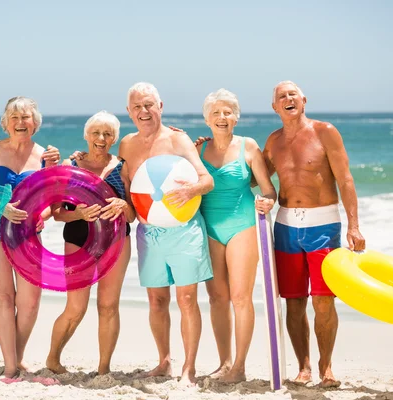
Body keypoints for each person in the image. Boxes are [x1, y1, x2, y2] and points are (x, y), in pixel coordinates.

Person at [263, 81, 366, 387]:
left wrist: (354, 225)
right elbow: (253, 178)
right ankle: (304, 367)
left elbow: (345, 179)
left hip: (323, 225)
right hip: (285, 227)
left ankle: (326, 367)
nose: (288, 99)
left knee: (323, 301)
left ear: (304, 100)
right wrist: (207, 152)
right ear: (275, 107)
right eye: (281, 96)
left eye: (293, 94)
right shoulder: (273, 141)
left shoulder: (325, 132)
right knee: (293, 301)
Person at [118, 82, 214, 384]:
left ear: (160, 106)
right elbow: (127, 190)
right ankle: (164, 362)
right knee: (156, 301)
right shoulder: (127, 145)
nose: (143, 111)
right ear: (129, 112)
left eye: (149, 105)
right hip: (149, 233)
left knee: (186, 299)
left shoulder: (178, 140)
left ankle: (189, 367)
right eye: (137, 107)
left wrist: (192, 190)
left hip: (184, 230)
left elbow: (207, 180)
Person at [45, 111, 135, 375]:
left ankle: (103, 369)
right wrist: (80, 214)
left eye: (108, 134)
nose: (101, 138)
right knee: (76, 307)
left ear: (114, 138)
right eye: (96, 132)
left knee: (108, 306)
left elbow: (133, 214)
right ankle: (53, 359)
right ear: (86, 136)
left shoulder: (122, 166)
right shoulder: (70, 165)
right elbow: (58, 213)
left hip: (117, 240)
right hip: (77, 239)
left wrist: (123, 204)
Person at [0, 96, 59, 379]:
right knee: (2, 298)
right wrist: (2, 207)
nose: (20, 122)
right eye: (15, 117)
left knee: (30, 302)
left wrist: (42, 216)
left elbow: (51, 201)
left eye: (26, 117)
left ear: (35, 123)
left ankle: (18, 356)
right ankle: (10, 367)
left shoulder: (46, 156)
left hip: (28, 237)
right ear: (5, 123)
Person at [197, 89, 276, 383]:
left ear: (236, 117)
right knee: (217, 297)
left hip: (242, 224)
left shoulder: (249, 147)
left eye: (228, 112)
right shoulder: (198, 151)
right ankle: (224, 362)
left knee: (241, 297)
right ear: (207, 119)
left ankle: (240, 366)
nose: (222, 117)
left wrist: (267, 201)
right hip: (209, 228)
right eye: (216, 112)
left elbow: (268, 189)